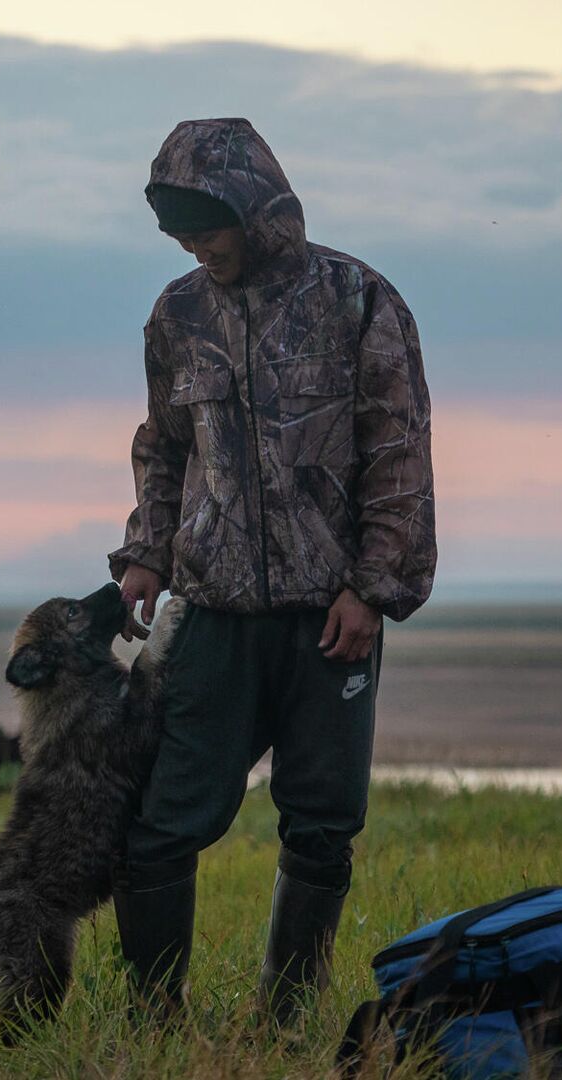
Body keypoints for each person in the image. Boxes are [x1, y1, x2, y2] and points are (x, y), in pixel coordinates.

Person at [107, 117, 436, 1025]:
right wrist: (146, 552)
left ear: (256, 208)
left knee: (323, 826)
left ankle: (285, 1017)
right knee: (160, 822)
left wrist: (372, 588)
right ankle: (153, 1016)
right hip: (209, 611)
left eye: (207, 225)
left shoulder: (358, 300)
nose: (195, 246)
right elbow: (164, 448)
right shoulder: (176, 315)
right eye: (178, 232)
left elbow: (398, 453)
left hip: (331, 615)